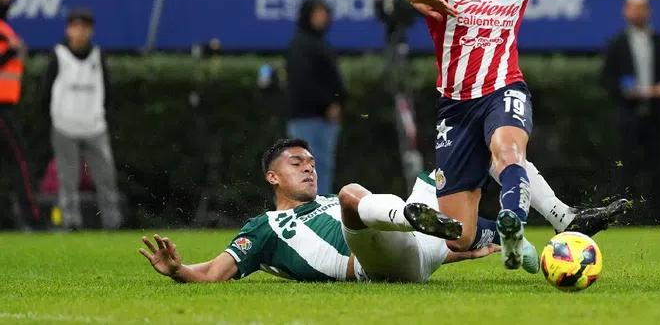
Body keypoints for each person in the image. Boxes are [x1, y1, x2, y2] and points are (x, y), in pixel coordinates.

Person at [370, 0, 660, 273]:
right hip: (455, 105)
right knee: (458, 235)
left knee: (508, 151)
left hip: (504, 87)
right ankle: (516, 234)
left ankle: (515, 223)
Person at [139, 138, 497, 283]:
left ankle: (514, 236)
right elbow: (214, 272)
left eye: (311, 163)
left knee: (450, 171)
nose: (308, 168)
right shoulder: (266, 227)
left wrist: (460, 253)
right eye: (296, 164)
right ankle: (412, 217)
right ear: (272, 177)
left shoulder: (327, 201)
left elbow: (409, 257)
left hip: (419, 254)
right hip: (376, 266)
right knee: (351, 195)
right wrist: (178, 270)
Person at [41, 7, 122, 231]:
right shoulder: (59, 54)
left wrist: (101, 115)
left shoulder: (97, 55)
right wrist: (52, 120)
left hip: (94, 127)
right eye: (75, 27)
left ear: (91, 31)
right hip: (64, 127)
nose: (80, 32)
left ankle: (112, 222)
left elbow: (107, 90)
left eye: (85, 28)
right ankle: (70, 222)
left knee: (106, 177)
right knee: (67, 180)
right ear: (68, 30)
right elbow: (46, 91)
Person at [600, 0, 660, 225]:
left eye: (641, 7)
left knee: (658, 169)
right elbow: (607, 79)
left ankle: (657, 219)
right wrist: (626, 91)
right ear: (625, 11)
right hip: (627, 116)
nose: (637, 12)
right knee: (624, 168)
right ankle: (620, 219)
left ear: (649, 11)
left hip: (657, 115)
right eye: (632, 7)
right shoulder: (616, 44)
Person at [285, 0, 347, 196]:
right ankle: (309, 208)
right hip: (308, 117)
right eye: (317, 13)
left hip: (324, 119)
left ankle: (321, 205)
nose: (322, 18)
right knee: (306, 166)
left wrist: (337, 101)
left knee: (323, 165)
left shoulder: (320, 44)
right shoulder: (301, 45)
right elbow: (304, 81)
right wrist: (327, 103)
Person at [0, 0, 42, 230]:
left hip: (6, 105)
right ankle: (34, 221)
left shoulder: (5, 27)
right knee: (19, 162)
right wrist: (10, 53)